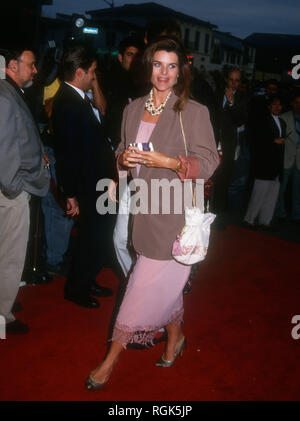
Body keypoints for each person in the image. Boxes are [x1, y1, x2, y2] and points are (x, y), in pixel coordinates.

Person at [85, 37, 219, 390]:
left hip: (173, 215)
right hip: (142, 208)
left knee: (140, 285)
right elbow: (122, 150)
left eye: (172, 66)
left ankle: (110, 360)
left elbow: (209, 161)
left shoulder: (193, 111)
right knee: (165, 286)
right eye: (158, 64)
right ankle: (175, 339)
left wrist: (172, 162)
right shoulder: (131, 110)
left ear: (180, 72)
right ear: (148, 68)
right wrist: (122, 160)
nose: (164, 72)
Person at [52, 44, 115, 309]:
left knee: (97, 236)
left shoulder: (77, 98)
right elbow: (66, 153)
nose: (94, 76)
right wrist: (70, 194)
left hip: (97, 182)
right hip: (89, 185)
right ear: (80, 72)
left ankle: (86, 279)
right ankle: (77, 288)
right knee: (94, 236)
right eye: (92, 72)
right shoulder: (68, 102)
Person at [0, 47, 50, 334]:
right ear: (12, 66)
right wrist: (13, 188)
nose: (35, 70)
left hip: (11, 188)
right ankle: (2, 316)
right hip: (11, 191)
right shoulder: (5, 96)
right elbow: (4, 148)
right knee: (9, 255)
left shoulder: (9, 92)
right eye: (30, 65)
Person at [210, 67, 248, 229]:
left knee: (222, 182)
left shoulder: (243, 99)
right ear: (226, 80)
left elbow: (239, 120)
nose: (234, 83)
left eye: (237, 80)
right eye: (231, 79)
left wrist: (232, 103)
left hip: (228, 147)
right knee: (205, 180)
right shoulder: (215, 94)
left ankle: (216, 217)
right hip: (210, 143)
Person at [244, 95, 286, 228]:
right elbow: (257, 141)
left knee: (272, 195)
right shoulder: (262, 121)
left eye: (279, 105)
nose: (277, 107)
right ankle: (249, 219)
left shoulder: (283, 122)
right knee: (259, 193)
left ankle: (265, 220)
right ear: (269, 106)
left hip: (277, 165)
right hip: (264, 164)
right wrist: (273, 141)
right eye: (274, 104)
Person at [276, 92, 300, 222]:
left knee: (297, 191)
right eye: (296, 102)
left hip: (299, 161)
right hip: (286, 159)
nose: (298, 105)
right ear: (292, 103)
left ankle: (297, 214)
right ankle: (280, 212)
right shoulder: (283, 117)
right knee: (282, 188)